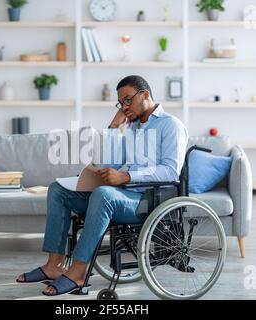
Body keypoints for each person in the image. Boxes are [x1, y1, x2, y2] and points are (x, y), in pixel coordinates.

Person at [16, 75, 189, 296]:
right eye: (121, 103)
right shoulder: (133, 128)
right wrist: (114, 128)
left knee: (103, 194)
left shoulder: (171, 125)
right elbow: (111, 164)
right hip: (121, 194)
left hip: (147, 200)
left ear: (145, 95)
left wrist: (126, 177)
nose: (124, 107)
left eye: (128, 100)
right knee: (58, 190)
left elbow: (170, 171)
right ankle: (53, 265)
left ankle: (77, 272)